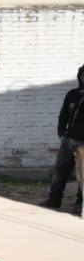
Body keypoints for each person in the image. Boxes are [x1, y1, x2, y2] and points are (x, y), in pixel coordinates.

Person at [38, 65, 84, 217]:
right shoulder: (72, 94)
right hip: (68, 141)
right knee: (60, 169)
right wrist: (61, 133)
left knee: (82, 174)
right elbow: (63, 115)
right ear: (80, 77)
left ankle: (80, 204)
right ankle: (54, 199)